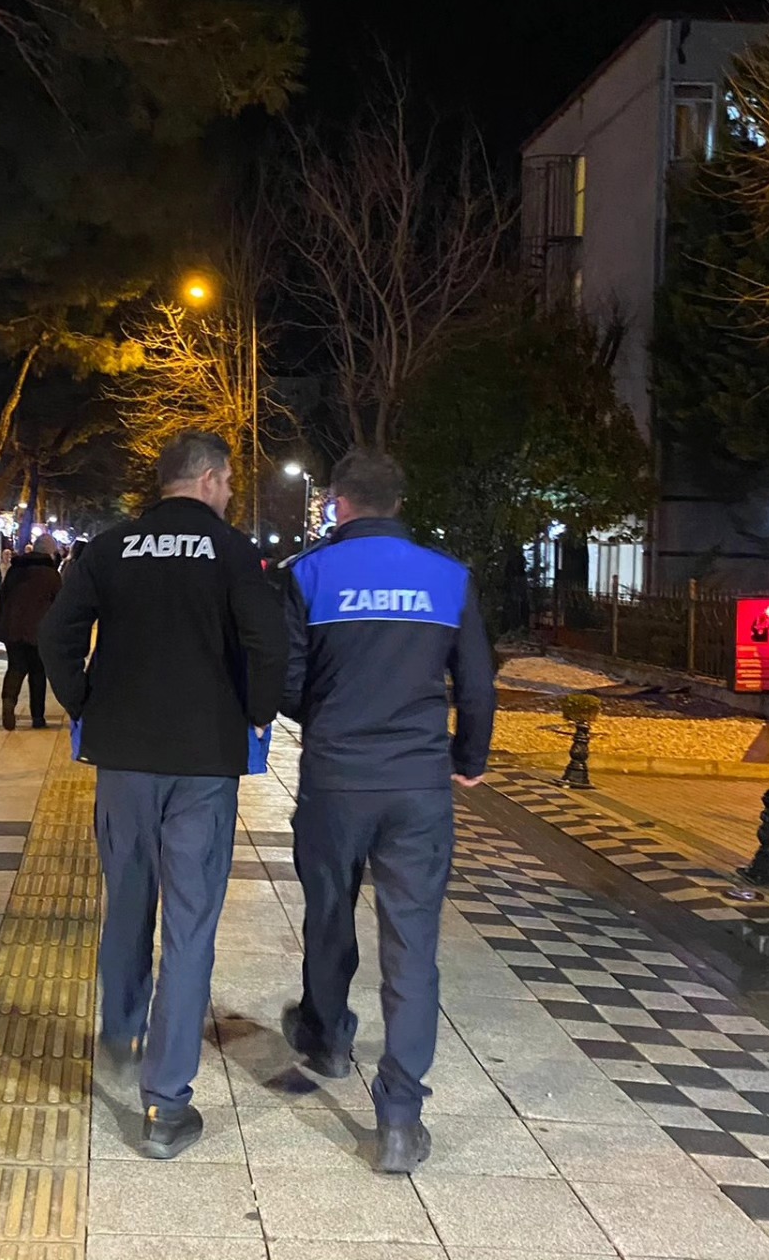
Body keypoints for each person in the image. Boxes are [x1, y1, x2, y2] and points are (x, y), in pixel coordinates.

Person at [40, 432, 286, 1160]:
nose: (231, 493)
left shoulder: (110, 548)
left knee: (127, 900)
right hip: (204, 764)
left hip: (123, 760)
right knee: (189, 926)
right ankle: (166, 1104)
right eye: (229, 481)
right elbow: (268, 643)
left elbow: (57, 634)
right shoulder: (234, 552)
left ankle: (121, 1029)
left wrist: (86, 703)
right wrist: (258, 711)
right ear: (208, 479)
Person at [277, 449, 494, 1175]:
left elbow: (287, 680)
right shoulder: (448, 576)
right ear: (399, 503)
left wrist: (329, 719)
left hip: (337, 778)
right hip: (418, 784)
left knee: (329, 912)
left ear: (338, 503)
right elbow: (477, 686)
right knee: (413, 943)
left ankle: (328, 1037)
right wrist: (468, 760)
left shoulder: (308, 574)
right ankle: (400, 1116)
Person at [0, 534, 63, 730]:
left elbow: (3, 596)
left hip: (13, 627)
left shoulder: (16, 569)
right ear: (50, 552)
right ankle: (37, 717)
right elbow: (59, 605)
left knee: (15, 667)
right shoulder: (51, 574)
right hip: (38, 630)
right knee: (38, 672)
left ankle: (8, 700)